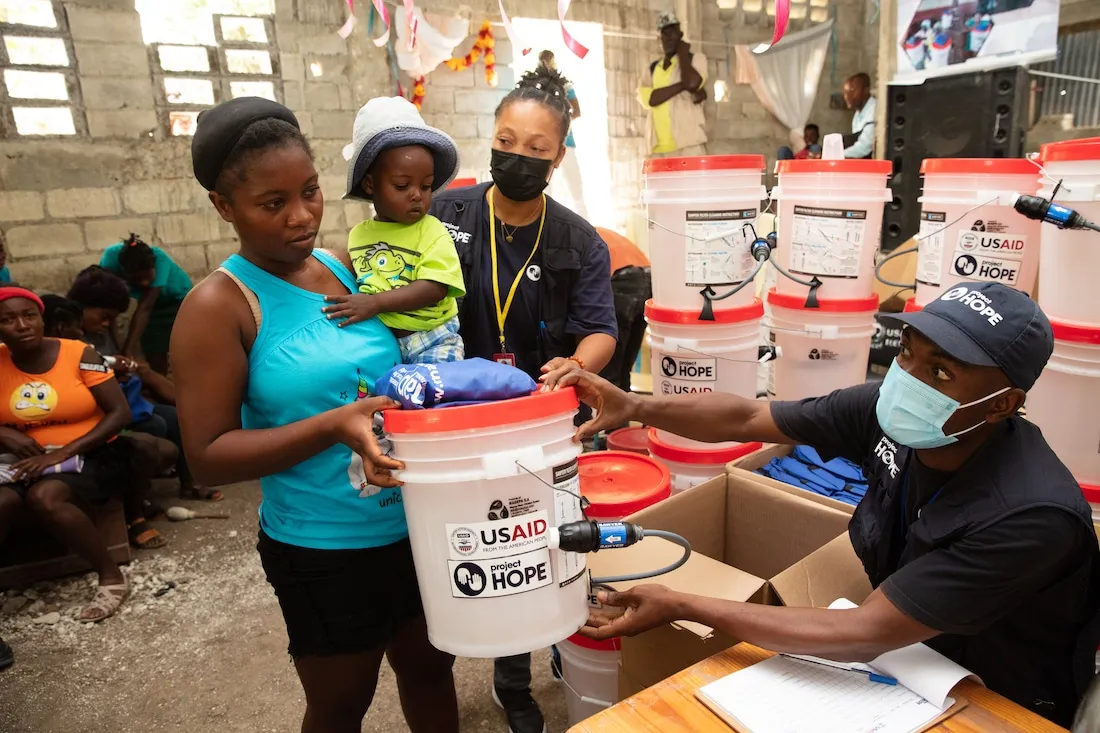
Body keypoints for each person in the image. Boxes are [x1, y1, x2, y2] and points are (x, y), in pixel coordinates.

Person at [551, 282, 1100, 726]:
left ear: (1002, 403)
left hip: (994, 696)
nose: (908, 380)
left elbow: (864, 633)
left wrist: (682, 603)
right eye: (908, 352)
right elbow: (747, 417)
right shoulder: (889, 415)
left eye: (940, 372)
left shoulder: (1029, 517)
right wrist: (635, 406)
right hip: (904, 657)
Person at [172, 97, 458, 733]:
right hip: (324, 546)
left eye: (310, 192)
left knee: (431, 669)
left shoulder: (337, 266)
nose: (301, 217)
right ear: (224, 206)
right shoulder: (219, 307)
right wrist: (334, 425)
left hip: (414, 523)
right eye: (273, 204)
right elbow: (207, 451)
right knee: (340, 701)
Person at [430, 63, 618, 733]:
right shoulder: (445, 214)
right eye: (507, 140)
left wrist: (575, 363)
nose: (518, 157)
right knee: (490, 545)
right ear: (492, 140)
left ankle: (550, 660)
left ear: (558, 156)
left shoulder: (577, 239)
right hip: (463, 421)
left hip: (545, 418)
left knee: (552, 543)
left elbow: (601, 327)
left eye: (536, 149)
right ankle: (488, 676)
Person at [0, 287, 167, 623]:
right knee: (3, 503)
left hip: (90, 451)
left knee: (46, 497)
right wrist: (5, 434)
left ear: (41, 318)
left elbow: (119, 413)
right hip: (21, 459)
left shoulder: (79, 353)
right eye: (7, 320)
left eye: (29, 315)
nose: (21, 325)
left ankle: (110, 576)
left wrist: (61, 452)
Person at [324, 96, 465, 364]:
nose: (416, 195)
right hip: (382, 339)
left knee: (435, 397)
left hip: (431, 337)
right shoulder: (359, 236)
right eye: (402, 186)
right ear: (369, 184)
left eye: (426, 186)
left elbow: (435, 287)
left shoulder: (432, 231)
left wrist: (375, 303)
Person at [65, 267, 221, 502]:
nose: (108, 323)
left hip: (123, 397)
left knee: (175, 416)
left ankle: (190, 482)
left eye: (112, 318)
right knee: (155, 424)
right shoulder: (70, 335)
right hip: (96, 408)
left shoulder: (100, 333)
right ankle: (137, 496)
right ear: (82, 307)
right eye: (104, 316)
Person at [99, 233, 193, 375]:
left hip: (178, 302)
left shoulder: (160, 259)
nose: (144, 283)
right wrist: (118, 348)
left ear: (153, 267)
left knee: (186, 349)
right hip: (154, 307)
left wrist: (128, 349)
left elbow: (145, 308)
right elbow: (109, 305)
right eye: (136, 279)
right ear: (124, 272)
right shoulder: (111, 259)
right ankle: (160, 384)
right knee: (153, 347)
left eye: (148, 277)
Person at [638, 12, 708, 158]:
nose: (668, 38)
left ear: (680, 35)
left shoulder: (695, 60)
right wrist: (683, 86)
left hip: (688, 147)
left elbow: (693, 82)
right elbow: (650, 99)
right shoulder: (652, 69)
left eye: (673, 33)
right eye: (664, 34)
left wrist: (683, 54)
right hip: (658, 150)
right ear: (659, 39)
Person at [595, 227, 651, 400]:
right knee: (624, 367)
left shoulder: (575, 233)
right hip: (649, 279)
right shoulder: (596, 230)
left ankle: (614, 423)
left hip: (622, 280)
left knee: (609, 368)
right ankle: (621, 424)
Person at [539, 50, 587, 218]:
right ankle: (546, 224)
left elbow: (577, 111)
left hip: (566, 141)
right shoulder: (537, 87)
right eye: (543, 61)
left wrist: (560, 121)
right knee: (544, 185)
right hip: (543, 144)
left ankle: (585, 222)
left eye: (548, 61)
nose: (546, 64)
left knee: (575, 184)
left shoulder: (565, 85)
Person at [842, 72, 876, 159]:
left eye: (852, 91)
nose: (847, 96)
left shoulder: (874, 111)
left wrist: (836, 156)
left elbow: (864, 148)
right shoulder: (857, 115)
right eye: (846, 92)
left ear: (865, 90)